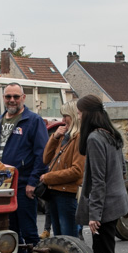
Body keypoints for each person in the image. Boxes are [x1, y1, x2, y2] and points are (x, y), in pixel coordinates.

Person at [75, 95, 128, 253]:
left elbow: (98, 181)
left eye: (79, 112)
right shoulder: (111, 134)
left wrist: (94, 216)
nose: (78, 116)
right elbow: (123, 171)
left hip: (106, 206)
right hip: (116, 202)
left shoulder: (95, 138)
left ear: (87, 114)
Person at [0, 82, 48, 244]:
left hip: (23, 186)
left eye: (16, 96)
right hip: (1, 186)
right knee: (9, 232)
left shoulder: (33, 121)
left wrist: (33, 182)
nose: (12, 100)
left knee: (28, 232)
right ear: (3, 98)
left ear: (23, 98)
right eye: (8, 96)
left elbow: (42, 154)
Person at [39, 100, 85, 238]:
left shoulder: (79, 138)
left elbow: (77, 171)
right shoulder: (64, 137)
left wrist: (48, 177)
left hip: (66, 194)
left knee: (69, 239)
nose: (63, 120)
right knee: (59, 238)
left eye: (66, 116)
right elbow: (46, 159)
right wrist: (54, 137)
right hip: (54, 193)